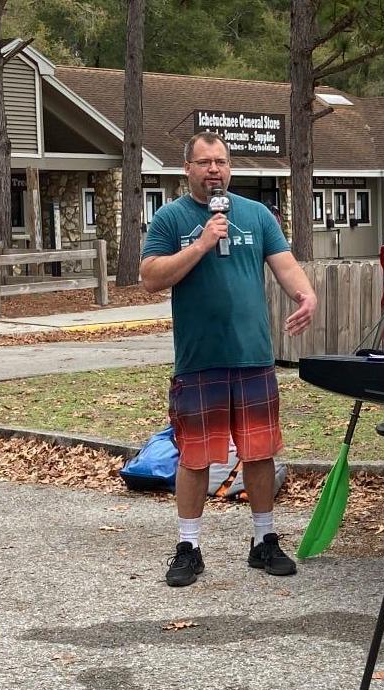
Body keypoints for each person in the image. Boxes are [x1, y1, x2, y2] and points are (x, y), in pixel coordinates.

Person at [140, 132, 318, 587]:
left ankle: (263, 541)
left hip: (252, 357)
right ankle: (189, 547)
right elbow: (149, 279)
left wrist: (305, 293)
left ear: (230, 167)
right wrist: (199, 245)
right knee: (196, 458)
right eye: (203, 163)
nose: (213, 170)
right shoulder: (171, 218)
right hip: (200, 361)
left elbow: (284, 262)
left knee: (260, 453)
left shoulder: (257, 215)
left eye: (220, 161)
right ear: (188, 170)